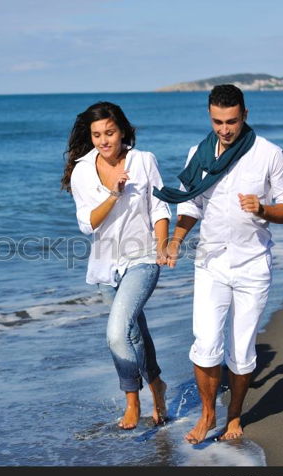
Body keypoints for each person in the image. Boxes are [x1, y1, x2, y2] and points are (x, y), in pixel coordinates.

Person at [154, 84, 283, 443]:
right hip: (211, 262)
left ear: (245, 115)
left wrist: (264, 209)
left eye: (231, 121)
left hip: (253, 265)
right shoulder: (198, 154)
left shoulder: (269, 154)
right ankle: (207, 415)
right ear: (209, 115)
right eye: (218, 121)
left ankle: (234, 416)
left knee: (242, 350)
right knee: (205, 344)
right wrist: (174, 241)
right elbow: (190, 205)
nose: (224, 129)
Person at [62, 101, 171, 430]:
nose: (104, 140)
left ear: (123, 131)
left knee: (116, 333)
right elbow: (88, 224)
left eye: (110, 132)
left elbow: (160, 207)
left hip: (143, 258)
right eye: (97, 135)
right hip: (105, 267)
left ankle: (131, 400)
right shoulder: (82, 170)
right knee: (135, 333)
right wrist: (112, 194)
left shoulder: (143, 160)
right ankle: (157, 387)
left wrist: (163, 246)